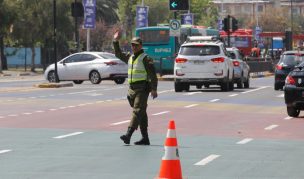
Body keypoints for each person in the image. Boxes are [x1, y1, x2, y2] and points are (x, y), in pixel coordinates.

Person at [113, 30, 158, 145]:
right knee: (141, 113)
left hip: (142, 89)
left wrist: (154, 89)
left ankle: (128, 135)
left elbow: (153, 75)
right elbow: (118, 54)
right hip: (131, 89)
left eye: (136, 45)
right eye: (132, 45)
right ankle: (145, 138)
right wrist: (115, 40)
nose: (134, 47)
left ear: (141, 46)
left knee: (137, 111)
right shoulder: (130, 57)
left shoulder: (145, 58)